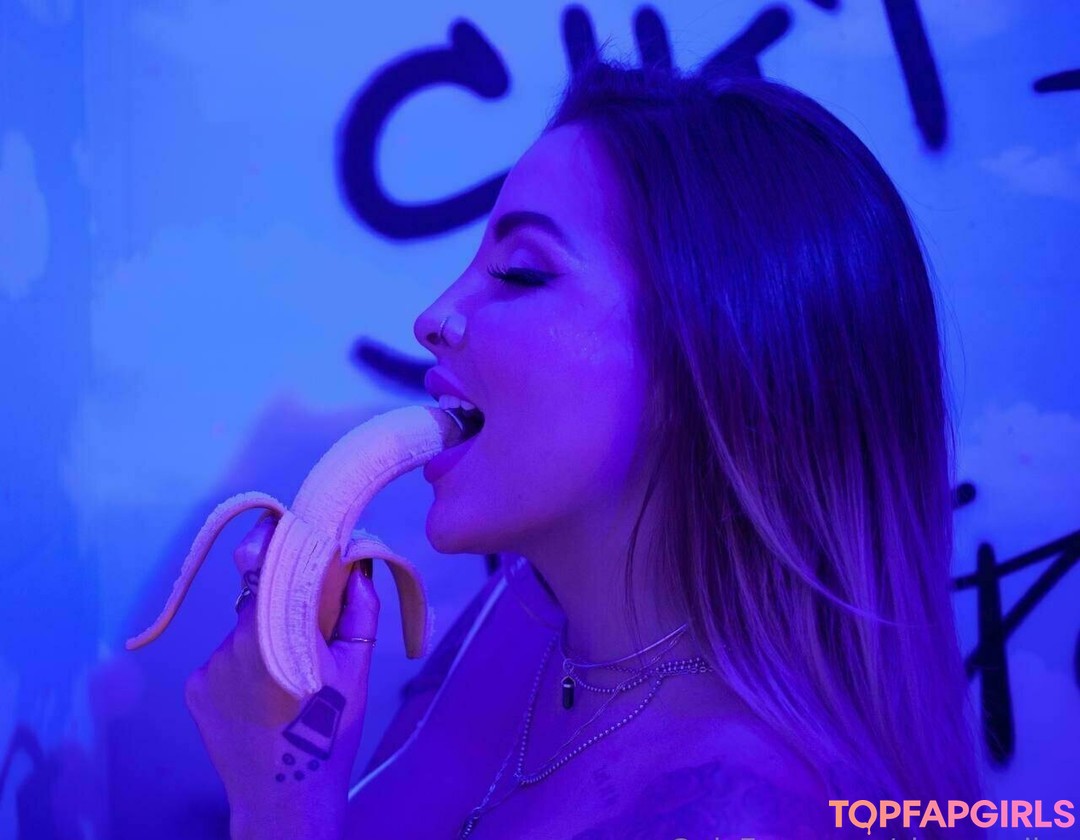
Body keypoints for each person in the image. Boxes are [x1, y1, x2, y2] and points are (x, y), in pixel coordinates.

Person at [183, 56, 986, 838]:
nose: (433, 317)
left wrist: (277, 806)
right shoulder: (521, 617)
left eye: (520, 274)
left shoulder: (744, 815)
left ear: (710, 360)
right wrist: (299, 714)